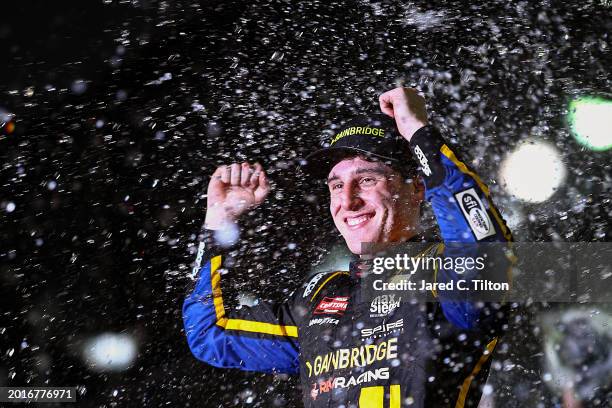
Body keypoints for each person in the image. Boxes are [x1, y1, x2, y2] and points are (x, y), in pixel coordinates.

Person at [183, 87, 513, 407]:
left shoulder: (442, 274)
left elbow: (487, 254)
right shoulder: (319, 293)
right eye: (337, 185)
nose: (348, 201)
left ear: (416, 189)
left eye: (367, 180)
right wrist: (218, 224)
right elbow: (211, 332)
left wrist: (419, 134)